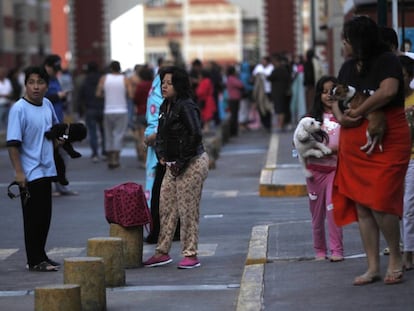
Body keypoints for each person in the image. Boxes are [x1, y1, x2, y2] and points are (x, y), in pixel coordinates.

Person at [331, 15, 410, 285]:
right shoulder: (348, 67)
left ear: (359, 41)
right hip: (354, 140)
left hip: (388, 136)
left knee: (381, 200)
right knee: (363, 204)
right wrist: (339, 115)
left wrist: (361, 110)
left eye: (347, 39)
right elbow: (336, 97)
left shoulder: (387, 60)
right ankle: (372, 266)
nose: (344, 43)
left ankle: (396, 258)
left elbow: (388, 92)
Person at [143, 66, 209, 269]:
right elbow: (161, 134)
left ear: (178, 85)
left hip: (192, 163)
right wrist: (162, 156)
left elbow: (195, 135)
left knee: (187, 210)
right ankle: (162, 252)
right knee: (165, 206)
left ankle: (191, 254)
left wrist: (181, 161)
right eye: (162, 82)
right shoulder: (165, 106)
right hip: (173, 165)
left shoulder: (186, 106)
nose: (164, 86)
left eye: (169, 83)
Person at [7, 66, 60, 272]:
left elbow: (55, 130)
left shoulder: (47, 104)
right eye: (31, 82)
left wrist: (63, 137)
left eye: (40, 82)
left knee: (45, 216)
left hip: (47, 169)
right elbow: (13, 144)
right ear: (25, 85)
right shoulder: (19, 109)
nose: (36, 87)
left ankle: (41, 255)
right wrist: (19, 172)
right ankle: (34, 259)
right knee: (33, 218)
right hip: (29, 172)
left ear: (47, 86)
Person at [305, 76, 343, 262]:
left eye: (332, 91)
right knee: (317, 215)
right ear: (319, 94)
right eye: (325, 91)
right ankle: (320, 250)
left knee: (333, 210)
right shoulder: (310, 120)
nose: (329, 95)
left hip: (335, 171)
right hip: (314, 172)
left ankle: (337, 250)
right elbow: (301, 146)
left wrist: (332, 150)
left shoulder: (344, 117)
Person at [44, 54, 78, 196]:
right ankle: (50, 187)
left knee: (62, 153)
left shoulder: (55, 78)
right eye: (55, 67)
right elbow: (42, 97)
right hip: (47, 123)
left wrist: (63, 98)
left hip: (58, 120)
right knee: (49, 155)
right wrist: (58, 96)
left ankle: (61, 185)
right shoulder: (42, 79)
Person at [96, 60, 129, 169]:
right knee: (119, 134)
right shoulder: (124, 79)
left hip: (108, 110)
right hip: (122, 109)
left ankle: (110, 159)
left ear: (110, 68)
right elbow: (131, 94)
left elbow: (98, 93)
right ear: (119, 69)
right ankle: (116, 159)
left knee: (108, 134)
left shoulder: (104, 79)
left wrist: (107, 95)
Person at [400, 55, 414, 271]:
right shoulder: (387, 102)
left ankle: (408, 252)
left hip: (411, 159)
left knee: (408, 206)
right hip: (393, 160)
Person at [78, 61, 106, 162]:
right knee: (104, 132)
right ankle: (104, 151)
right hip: (102, 107)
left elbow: (81, 97)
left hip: (90, 109)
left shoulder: (85, 81)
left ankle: (95, 153)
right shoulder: (102, 79)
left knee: (92, 132)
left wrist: (80, 111)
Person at [133, 65, 154, 168]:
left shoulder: (140, 86)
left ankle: (145, 160)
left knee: (143, 138)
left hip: (141, 113)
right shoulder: (155, 85)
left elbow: (135, 98)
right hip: (153, 113)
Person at [268, 53, 291, 131]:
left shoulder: (277, 70)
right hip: (283, 92)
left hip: (278, 92)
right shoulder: (284, 69)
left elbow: (270, 78)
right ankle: (282, 124)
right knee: (282, 108)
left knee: (280, 109)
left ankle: (280, 125)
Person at [225, 65, 244, 137]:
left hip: (234, 98)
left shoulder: (230, 78)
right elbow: (240, 85)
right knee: (234, 115)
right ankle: (233, 131)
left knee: (235, 115)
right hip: (234, 99)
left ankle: (234, 130)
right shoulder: (231, 78)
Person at [0, 65, 13, 132]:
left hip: (8, 104)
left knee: (8, 120)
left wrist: (8, 95)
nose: (3, 74)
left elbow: (11, 91)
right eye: (1, 72)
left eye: (4, 72)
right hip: (0, 104)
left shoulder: (8, 81)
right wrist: (4, 95)